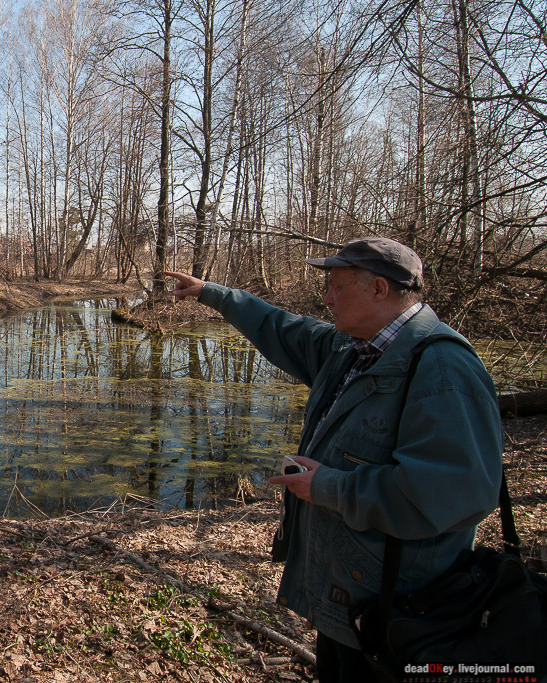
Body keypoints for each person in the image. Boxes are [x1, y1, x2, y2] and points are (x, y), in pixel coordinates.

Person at [166, 237, 503, 683]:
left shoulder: (441, 369)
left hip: (401, 613)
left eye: (337, 287)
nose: (326, 298)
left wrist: (329, 487)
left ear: (379, 290)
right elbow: (282, 328)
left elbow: (456, 494)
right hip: (349, 607)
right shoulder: (352, 352)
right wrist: (213, 292)